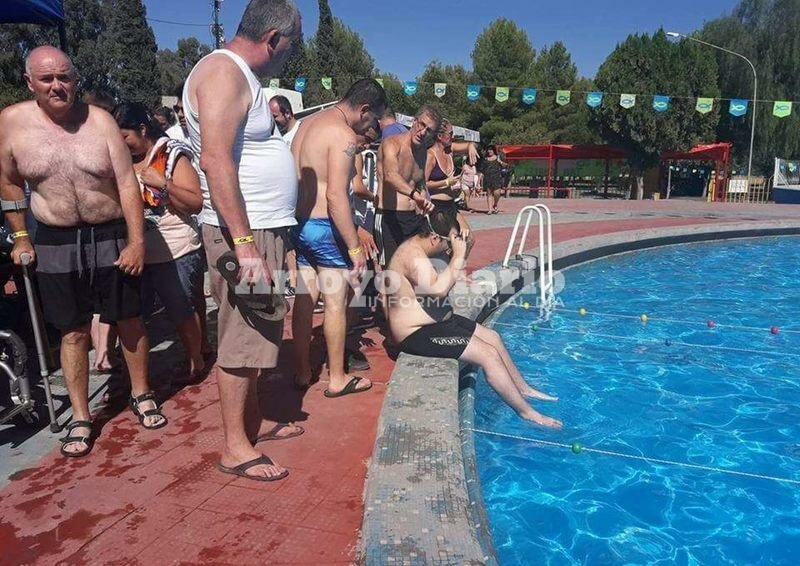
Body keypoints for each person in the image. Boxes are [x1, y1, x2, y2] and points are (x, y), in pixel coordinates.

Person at [0, 46, 167, 458]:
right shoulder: (11, 124)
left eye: (65, 77)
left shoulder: (100, 122)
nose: (58, 86)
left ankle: (141, 394)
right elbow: (7, 184)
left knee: (129, 318)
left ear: (75, 79)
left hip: (110, 233)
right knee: (71, 332)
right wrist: (21, 237)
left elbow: (128, 183)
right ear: (30, 83)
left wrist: (137, 241)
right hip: (54, 239)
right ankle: (80, 414)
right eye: (47, 79)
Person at [184, 0, 303, 482]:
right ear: (273, 38)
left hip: (259, 228)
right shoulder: (223, 72)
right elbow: (215, 159)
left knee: (256, 335)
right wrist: (246, 246)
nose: (289, 58)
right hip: (242, 233)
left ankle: (248, 430)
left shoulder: (241, 78)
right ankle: (235, 447)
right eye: (290, 47)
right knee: (240, 337)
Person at [383, 209, 562, 428]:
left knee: (493, 338)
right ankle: (527, 413)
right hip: (416, 333)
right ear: (434, 238)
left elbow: (444, 278)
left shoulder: (423, 247)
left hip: (439, 323)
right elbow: (438, 289)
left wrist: (459, 253)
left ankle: (522, 388)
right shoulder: (411, 255)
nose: (449, 250)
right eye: (448, 245)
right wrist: (458, 256)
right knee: (488, 355)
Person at [290, 78, 386, 395]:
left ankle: (302, 371)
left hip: (301, 223)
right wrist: (355, 248)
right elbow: (336, 196)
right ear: (365, 110)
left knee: (304, 301)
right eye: (372, 121)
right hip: (325, 227)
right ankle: (337, 378)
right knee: (335, 303)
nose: (368, 129)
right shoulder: (342, 134)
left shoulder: (304, 126)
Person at [113, 102, 206, 382]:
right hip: (139, 253)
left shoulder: (172, 154)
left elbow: (195, 202)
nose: (123, 145)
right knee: (139, 315)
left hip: (176, 249)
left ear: (143, 130)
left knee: (182, 310)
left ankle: (196, 361)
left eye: (126, 138)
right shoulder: (123, 161)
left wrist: (163, 184)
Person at [374, 105, 440, 268]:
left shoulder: (422, 151)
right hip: (389, 217)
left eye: (429, 130)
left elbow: (420, 183)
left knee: (424, 266)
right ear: (414, 122)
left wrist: (425, 200)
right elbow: (391, 176)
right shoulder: (391, 143)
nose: (423, 132)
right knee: (392, 274)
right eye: (422, 125)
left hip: (414, 218)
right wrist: (415, 195)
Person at [424, 119, 478, 236]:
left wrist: (471, 146)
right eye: (451, 134)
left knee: (469, 238)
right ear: (439, 136)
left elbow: (468, 145)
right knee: (454, 239)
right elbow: (423, 184)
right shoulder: (430, 156)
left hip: (451, 205)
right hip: (436, 205)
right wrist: (446, 182)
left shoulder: (450, 150)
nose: (453, 137)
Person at [481, 145, 508, 214]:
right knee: (489, 194)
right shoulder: (485, 159)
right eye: (488, 150)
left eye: (491, 150)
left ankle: (495, 204)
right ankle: (490, 209)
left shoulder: (498, 157)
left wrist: (500, 162)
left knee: (497, 193)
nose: (489, 151)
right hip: (488, 178)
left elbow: (506, 165)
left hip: (497, 178)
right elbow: (482, 170)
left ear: (494, 151)